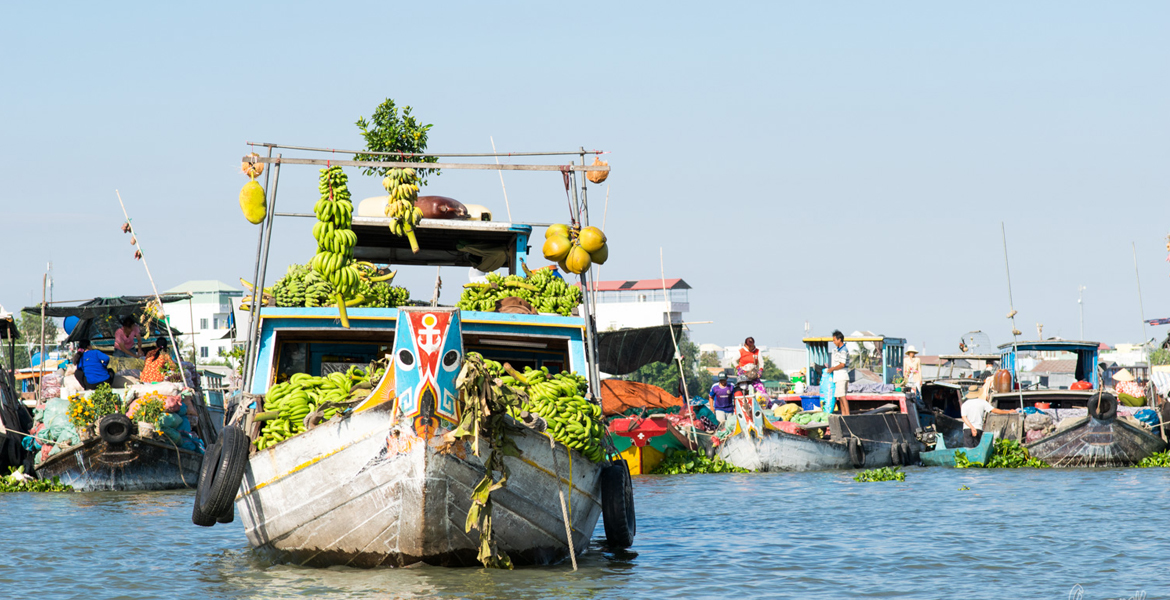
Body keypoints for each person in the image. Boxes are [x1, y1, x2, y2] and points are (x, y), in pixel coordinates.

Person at [823, 330, 848, 412]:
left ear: (839, 339)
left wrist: (832, 368)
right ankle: (843, 415)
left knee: (843, 397)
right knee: (840, 397)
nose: (833, 342)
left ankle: (847, 416)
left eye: (834, 340)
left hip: (841, 376)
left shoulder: (843, 350)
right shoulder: (837, 350)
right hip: (838, 377)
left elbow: (842, 364)